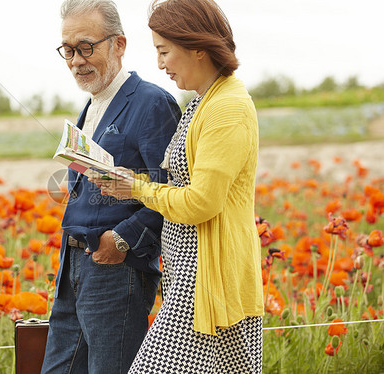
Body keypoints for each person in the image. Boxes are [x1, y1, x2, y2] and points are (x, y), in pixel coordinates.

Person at [93, 0, 264, 372]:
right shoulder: (204, 101)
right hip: (189, 276)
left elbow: (202, 202)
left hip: (206, 280)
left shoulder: (227, 107)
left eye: (164, 51)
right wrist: (130, 182)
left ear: (197, 47)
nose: (160, 64)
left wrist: (137, 189)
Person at [41, 1, 181, 373]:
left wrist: (119, 241)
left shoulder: (152, 103)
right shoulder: (92, 106)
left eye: (86, 47)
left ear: (118, 44)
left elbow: (172, 192)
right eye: (68, 50)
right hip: (72, 263)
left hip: (116, 269)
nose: (76, 60)